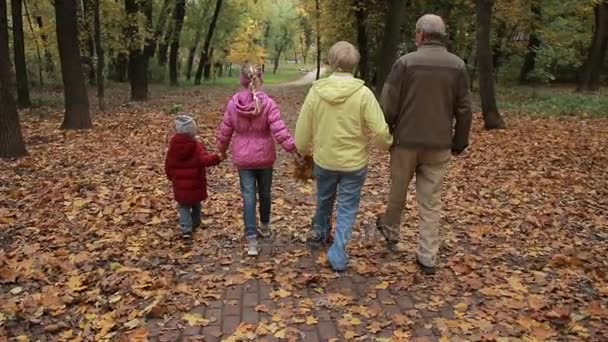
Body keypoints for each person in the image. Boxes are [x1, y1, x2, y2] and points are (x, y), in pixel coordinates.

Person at [376, 14, 473, 275]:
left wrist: (388, 130)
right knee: (431, 202)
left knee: (398, 192)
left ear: (420, 34)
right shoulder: (458, 66)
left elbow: (388, 103)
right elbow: (464, 109)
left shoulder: (404, 63)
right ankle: (427, 256)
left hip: (405, 142)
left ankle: (392, 233)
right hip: (439, 144)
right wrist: (459, 142)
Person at [295, 41, 393, 272]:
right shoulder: (363, 94)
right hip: (354, 163)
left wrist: (302, 148)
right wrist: (386, 144)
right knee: (348, 208)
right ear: (354, 64)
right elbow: (380, 130)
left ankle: (320, 235)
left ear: (331, 61)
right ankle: (338, 252)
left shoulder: (316, 92)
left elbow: (302, 131)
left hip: (325, 160)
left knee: (324, 200)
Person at [217, 64, 297, 256]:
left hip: (243, 158)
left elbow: (225, 130)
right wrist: (292, 149)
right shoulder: (268, 103)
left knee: (248, 196)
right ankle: (265, 225)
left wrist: (221, 151)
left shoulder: (233, 104)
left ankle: (251, 239)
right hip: (264, 156)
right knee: (265, 193)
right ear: (259, 79)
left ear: (241, 80)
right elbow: (279, 130)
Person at [165, 114, 223, 240]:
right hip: (195, 183)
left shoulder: (173, 147)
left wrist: (171, 177)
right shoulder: (196, 146)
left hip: (179, 184)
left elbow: (168, 164)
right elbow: (204, 160)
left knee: (184, 207)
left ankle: (186, 229)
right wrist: (217, 158)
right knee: (196, 204)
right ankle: (195, 223)